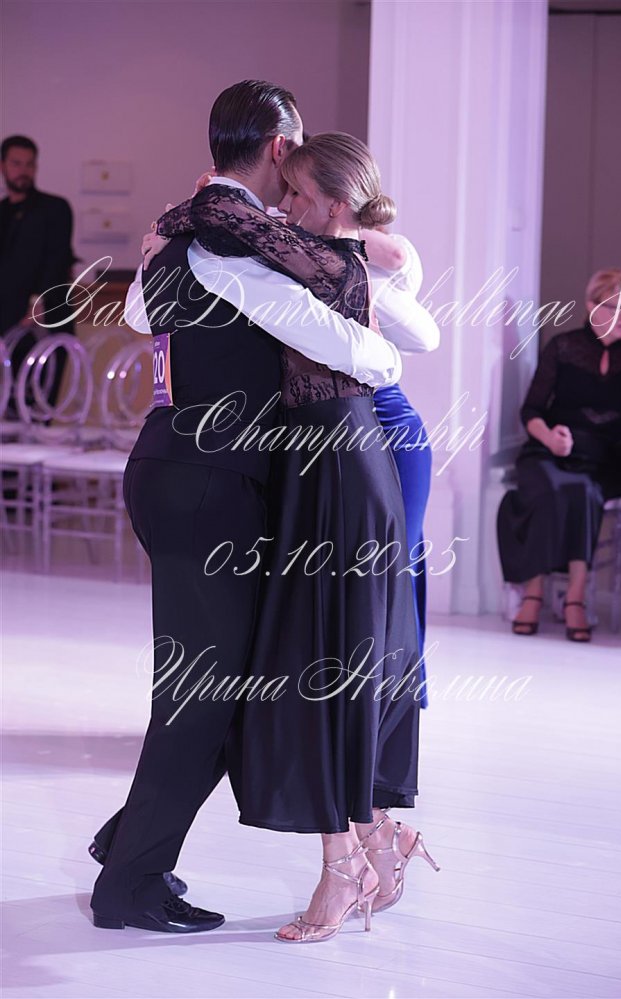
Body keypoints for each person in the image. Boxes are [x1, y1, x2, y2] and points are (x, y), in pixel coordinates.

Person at [89, 82, 402, 935]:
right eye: (295, 148)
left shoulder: (188, 231)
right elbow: (362, 345)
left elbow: (139, 312)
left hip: (185, 470)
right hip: (211, 483)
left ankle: (128, 846)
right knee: (205, 693)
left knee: (238, 684)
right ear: (279, 146)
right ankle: (128, 881)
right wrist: (379, 334)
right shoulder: (234, 242)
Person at [152, 131, 439, 944]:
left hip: (352, 452)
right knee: (333, 655)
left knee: (342, 658)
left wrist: (200, 210)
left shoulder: (326, 259)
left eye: (297, 195)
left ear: (335, 205)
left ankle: (349, 858)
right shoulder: (304, 253)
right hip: (322, 460)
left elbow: (411, 334)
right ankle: (375, 838)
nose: (280, 209)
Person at [497, 269, 621, 641]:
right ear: (591, 306)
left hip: (609, 460)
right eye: (616, 307)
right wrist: (550, 438)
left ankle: (575, 596)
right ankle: (534, 592)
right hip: (550, 450)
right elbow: (531, 410)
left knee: (583, 491)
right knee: (547, 488)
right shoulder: (564, 346)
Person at [364, 229, 437, 693]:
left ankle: (402, 691)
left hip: (394, 431)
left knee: (398, 560)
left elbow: (399, 257)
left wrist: (347, 237)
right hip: (330, 432)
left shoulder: (364, 269)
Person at [0, 136, 76, 404]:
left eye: (29, 164)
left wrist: (38, 301)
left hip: (45, 323)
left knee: (37, 406)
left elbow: (56, 260)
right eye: (16, 163)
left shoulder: (54, 209)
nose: (23, 171)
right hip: (6, 326)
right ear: (3, 166)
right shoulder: (2, 212)